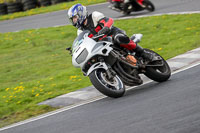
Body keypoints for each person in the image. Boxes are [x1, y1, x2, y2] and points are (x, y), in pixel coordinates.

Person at [67, 4, 153, 61]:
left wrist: (106, 28)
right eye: (73, 19)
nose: (74, 21)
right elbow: (84, 42)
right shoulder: (80, 31)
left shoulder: (94, 15)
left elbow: (108, 20)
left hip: (112, 34)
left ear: (81, 13)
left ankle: (143, 53)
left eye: (75, 17)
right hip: (101, 44)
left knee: (118, 38)